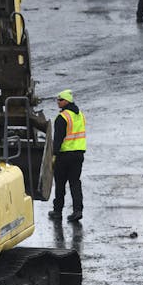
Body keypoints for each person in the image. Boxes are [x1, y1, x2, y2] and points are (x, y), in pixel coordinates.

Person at [49, 90, 86, 222]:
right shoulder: (80, 115)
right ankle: (78, 210)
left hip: (64, 156)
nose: (57, 102)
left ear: (66, 101)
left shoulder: (62, 117)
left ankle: (57, 211)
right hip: (79, 154)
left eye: (60, 100)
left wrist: (54, 155)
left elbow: (58, 139)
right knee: (75, 182)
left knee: (60, 184)